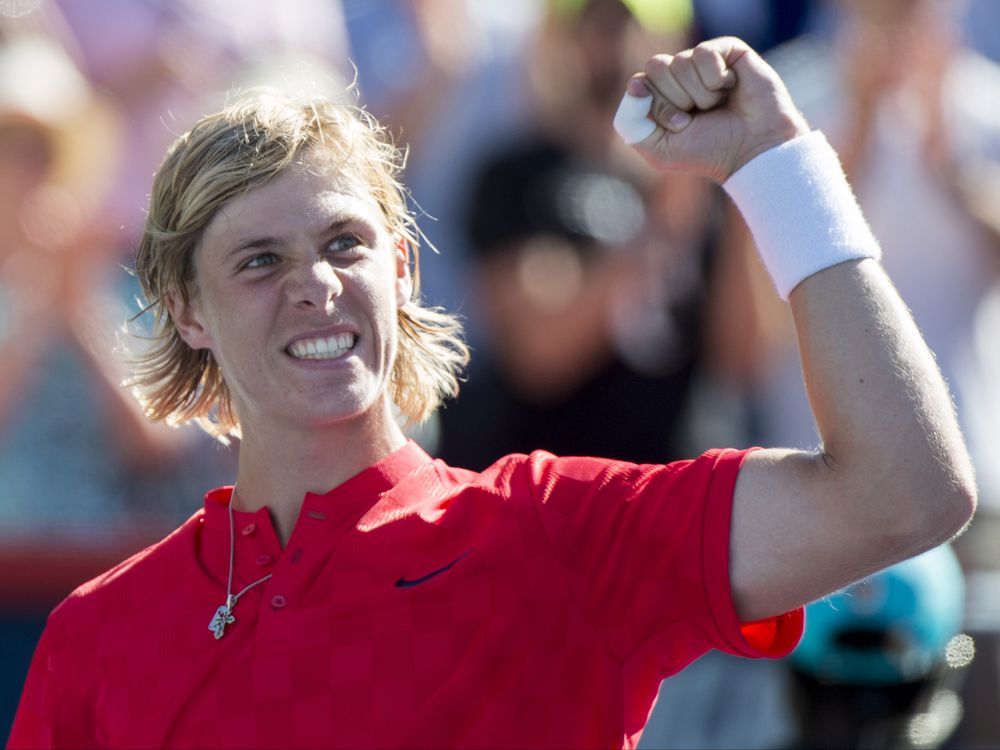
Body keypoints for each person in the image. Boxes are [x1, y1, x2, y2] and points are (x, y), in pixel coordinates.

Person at [7, 35, 976, 749]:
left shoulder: (559, 533)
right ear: (185, 312)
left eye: (344, 244)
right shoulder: (98, 638)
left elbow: (907, 493)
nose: (314, 283)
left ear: (403, 268)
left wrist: (778, 167)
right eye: (259, 259)